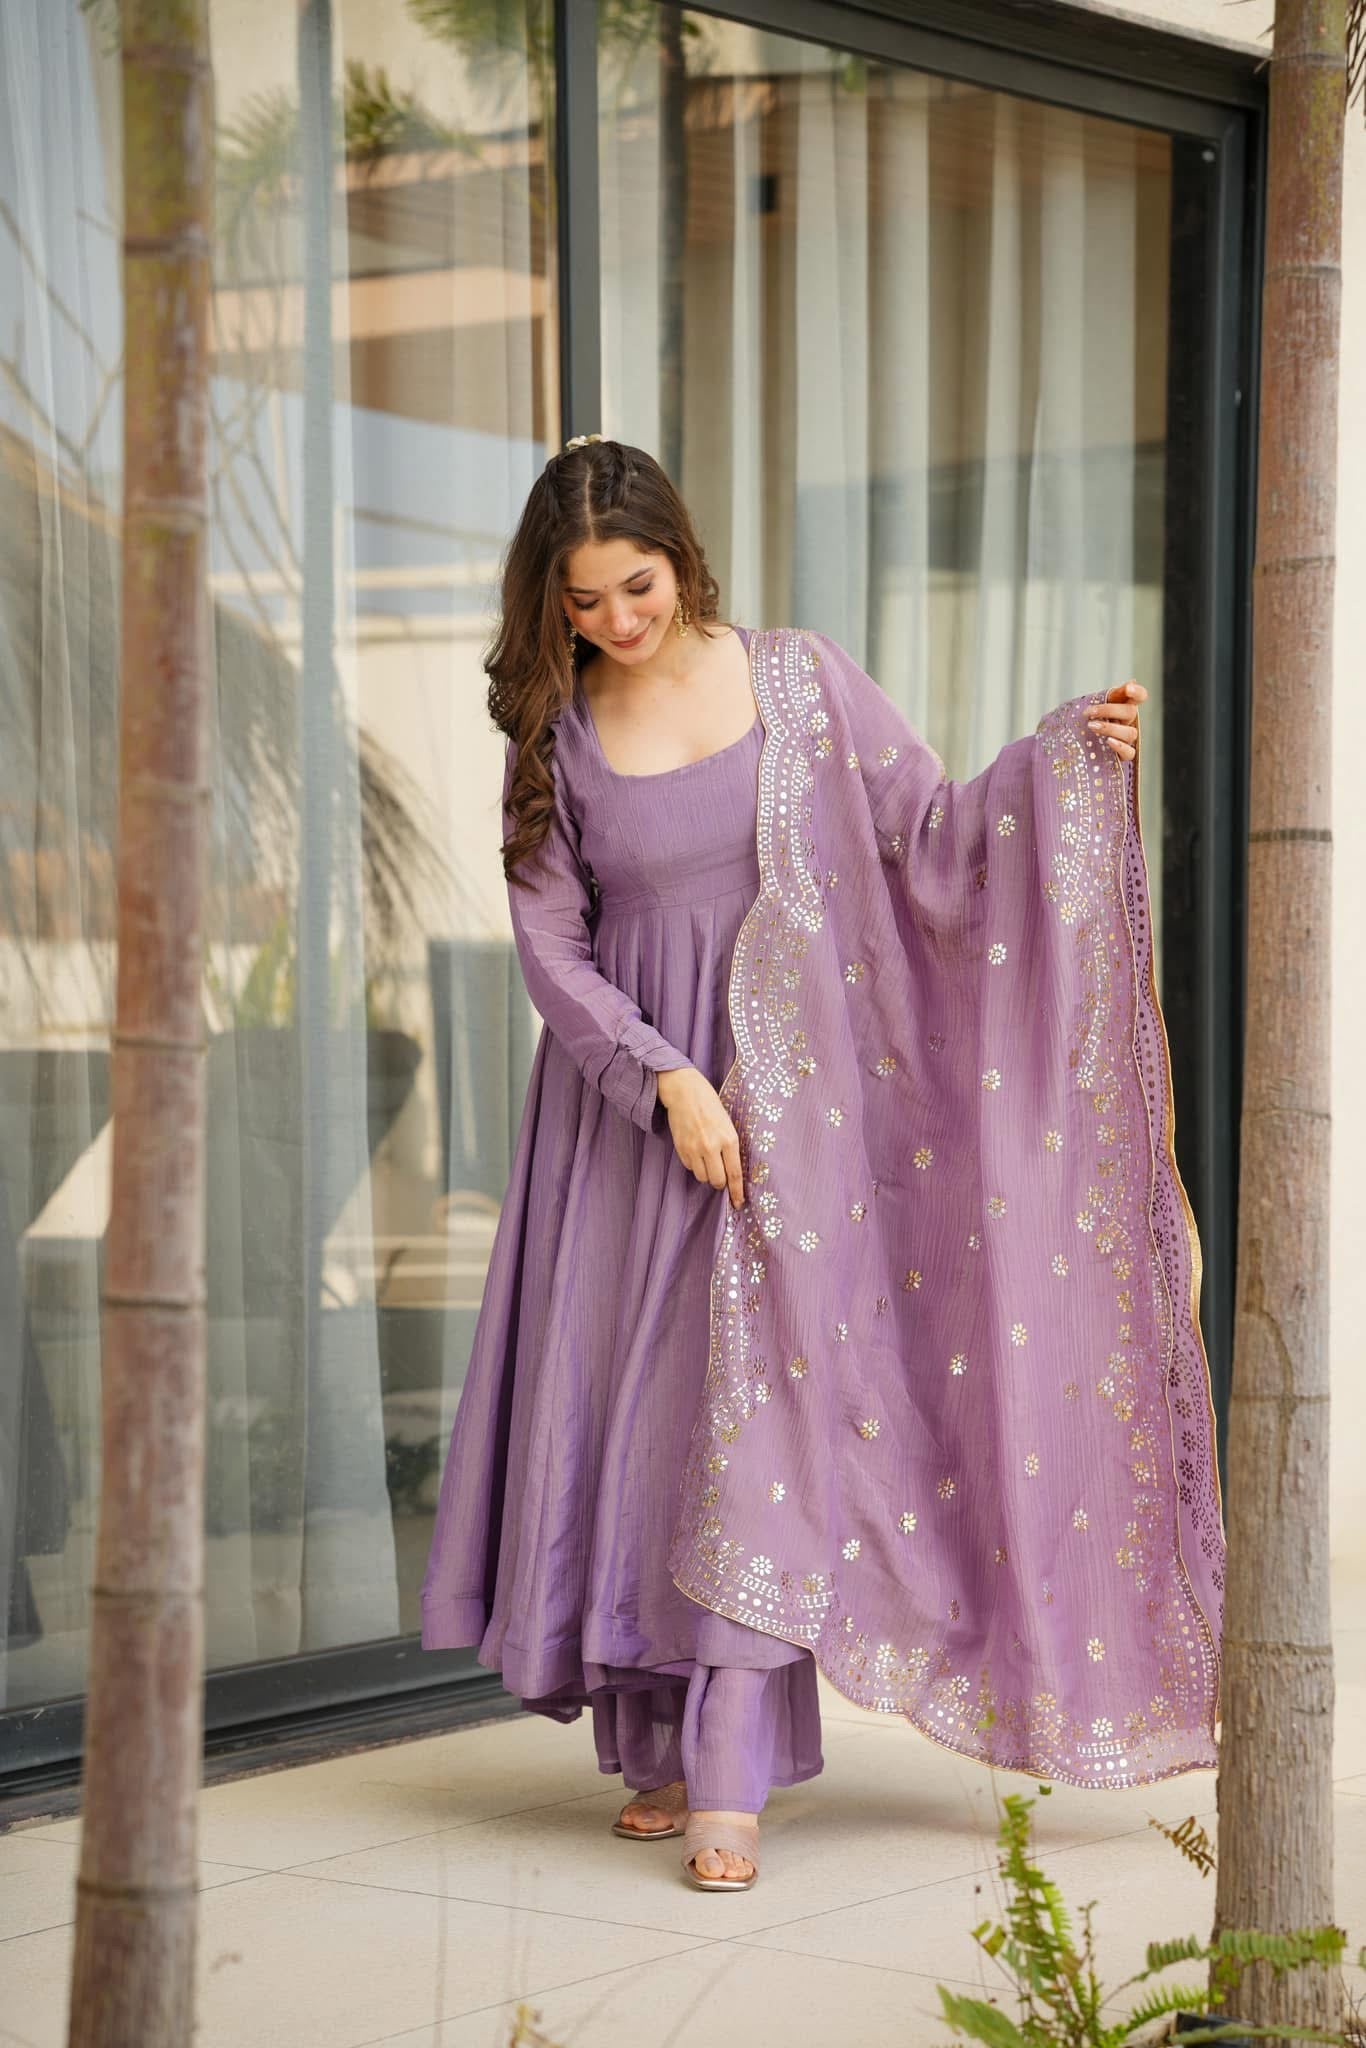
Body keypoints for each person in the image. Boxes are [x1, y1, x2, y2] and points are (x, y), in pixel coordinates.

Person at [422, 436, 1224, 1894]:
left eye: (636, 586)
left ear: (682, 557)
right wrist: (662, 1080)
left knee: (770, 1420)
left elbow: (930, 832)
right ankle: (658, 1746)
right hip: (631, 1126)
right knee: (647, 1426)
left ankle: (729, 1769)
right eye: (583, 600)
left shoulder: (798, 683)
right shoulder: (560, 733)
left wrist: (1058, 762)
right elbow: (550, 945)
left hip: (807, 1129)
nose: (615, 620)